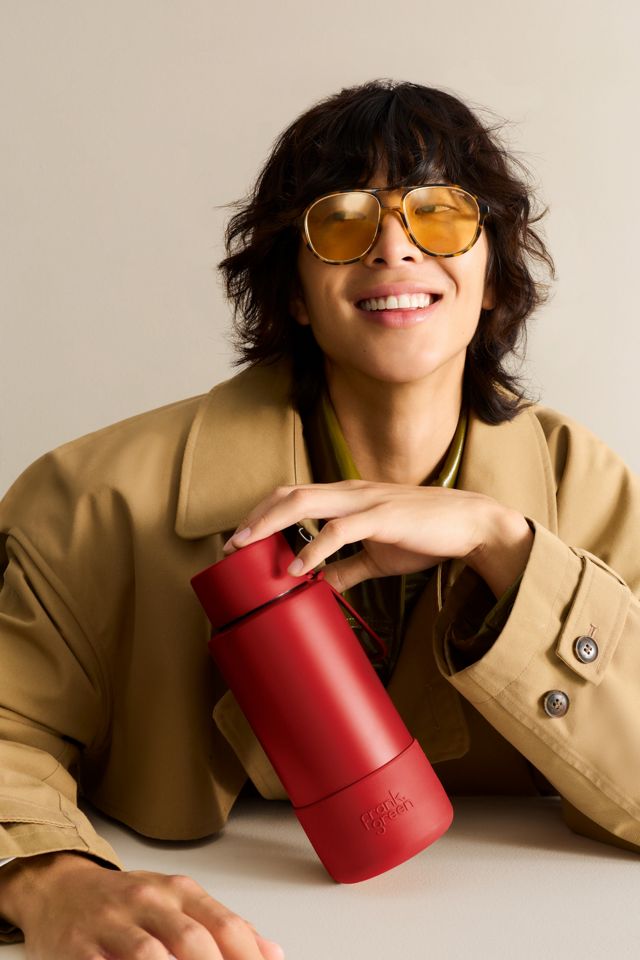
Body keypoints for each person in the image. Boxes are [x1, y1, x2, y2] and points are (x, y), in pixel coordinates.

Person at [0, 78, 638, 958]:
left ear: (493, 276)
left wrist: (504, 545)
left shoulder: (587, 488)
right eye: (341, 223)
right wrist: (46, 878)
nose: (394, 247)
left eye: (440, 215)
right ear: (294, 291)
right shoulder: (93, 499)